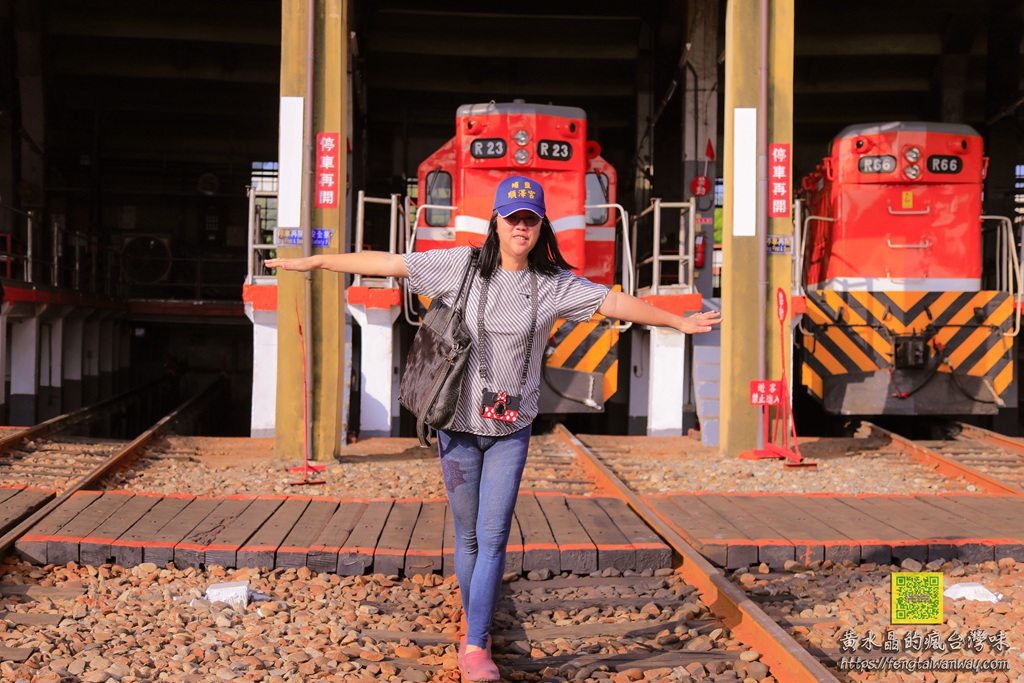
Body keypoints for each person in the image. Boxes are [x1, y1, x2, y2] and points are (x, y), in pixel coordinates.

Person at [265, 175, 722, 682]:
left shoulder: (551, 285)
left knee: (493, 534)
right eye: (512, 217)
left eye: (530, 218)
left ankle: (477, 644)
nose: (520, 226)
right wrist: (318, 262)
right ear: (497, 222)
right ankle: (475, 618)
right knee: (468, 538)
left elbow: (612, 303)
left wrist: (677, 322)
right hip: (457, 423)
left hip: (511, 427)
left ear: (541, 224)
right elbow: (391, 263)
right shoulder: (459, 265)